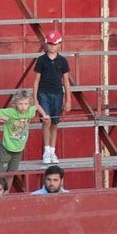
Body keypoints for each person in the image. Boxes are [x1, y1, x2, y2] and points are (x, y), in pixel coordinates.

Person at [32, 30, 72, 165]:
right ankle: (46, 151)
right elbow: (36, 80)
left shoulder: (63, 61)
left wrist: (68, 99)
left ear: (59, 44)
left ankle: (52, 151)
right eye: (49, 44)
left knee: (55, 123)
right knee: (46, 121)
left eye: (54, 44)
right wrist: (35, 99)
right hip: (43, 93)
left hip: (57, 94)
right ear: (46, 44)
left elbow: (66, 81)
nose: (52, 46)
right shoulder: (41, 60)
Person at [0, 89, 47, 174]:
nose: (23, 106)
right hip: (7, 147)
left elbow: (37, 106)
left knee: (11, 174)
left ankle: (7, 187)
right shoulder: (11, 112)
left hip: (19, 148)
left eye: (26, 104)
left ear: (29, 104)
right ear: (15, 104)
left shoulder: (30, 111)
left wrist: (44, 115)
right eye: (20, 104)